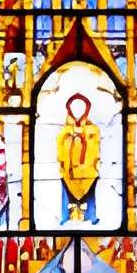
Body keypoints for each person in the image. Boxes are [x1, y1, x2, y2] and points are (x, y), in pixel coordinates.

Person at [57, 90, 102, 223]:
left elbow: (95, 146)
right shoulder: (65, 131)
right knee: (66, 192)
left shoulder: (92, 129)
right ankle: (66, 216)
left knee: (90, 192)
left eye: (80, 108)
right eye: (74, 108)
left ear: (86, 110)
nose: (77, 112)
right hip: (69, 169)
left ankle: (91, 216)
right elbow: (60, 146)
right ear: (69, 109)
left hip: (87, 168)